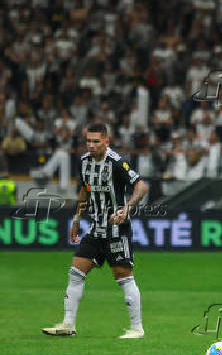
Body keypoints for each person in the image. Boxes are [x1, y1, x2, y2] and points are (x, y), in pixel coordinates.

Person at [42, 123, 148, 339]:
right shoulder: (84, 162)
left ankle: (137, 329)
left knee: (123, 275)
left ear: (106, 141)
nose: (91, 145)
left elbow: (142, 186)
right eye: (88, 141)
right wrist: (76, 220)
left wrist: (127, 208)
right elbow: (85, 191)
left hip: (117, 229)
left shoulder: (117, 162)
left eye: (96, 141)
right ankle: (68, 324)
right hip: (95, 228)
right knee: (76, 271)